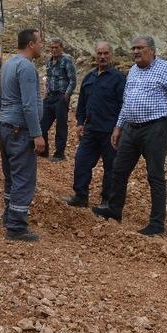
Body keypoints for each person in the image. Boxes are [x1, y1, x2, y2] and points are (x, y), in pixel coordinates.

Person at [92, 36, 167, 236]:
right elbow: (127, 102)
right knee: (119, 170)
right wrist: (118, 127)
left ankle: (157, 224)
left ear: (152, 50)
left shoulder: (165, 68)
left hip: (155, 128)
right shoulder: (132, 70)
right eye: (133, 48)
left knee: (155, 175)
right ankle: (114, 210)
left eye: (140, 48)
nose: (135, 52)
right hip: (131, 129)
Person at [0, 28, 45, 241]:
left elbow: (0, 99)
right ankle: (16, 227)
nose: (42, 46)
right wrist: (37, 134)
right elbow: (28, 105)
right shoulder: (26, 67)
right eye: (40, 41)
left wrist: (4, 120)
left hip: (5, 126)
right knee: (23, 178)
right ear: (31, 44)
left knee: (11, 175)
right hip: (19, 130)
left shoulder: (8, 64)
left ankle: (9, 215)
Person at [66, 41, 124, 208]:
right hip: (90, 130)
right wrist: (79, 122)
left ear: (111, 55)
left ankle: (107, 201)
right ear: (95, 55)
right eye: (99, 53)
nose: (102, 57)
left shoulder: (119, 78)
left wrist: (119, 128)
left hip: (110, 132)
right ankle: (80, 196)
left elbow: (124, 105)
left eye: (106, 53)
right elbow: (82, 104)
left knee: (110, 167)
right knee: (82, 162)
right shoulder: (89, 77)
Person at [39, 38, 77, 162]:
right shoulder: (49, 62)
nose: (54, 50)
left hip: (61, 97)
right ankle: (43, 151)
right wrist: (46, 92)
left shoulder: (67, 60)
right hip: (50, 97)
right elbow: (48, 79)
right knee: (42, 124)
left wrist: (66, 96)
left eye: (56, 47)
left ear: (61, 48)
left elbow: (72, 80)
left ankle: (59, 154)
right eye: (52, 47)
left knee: (61, 126)